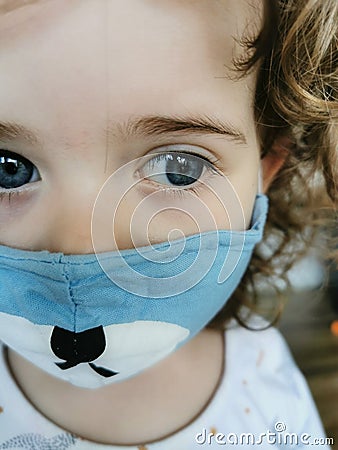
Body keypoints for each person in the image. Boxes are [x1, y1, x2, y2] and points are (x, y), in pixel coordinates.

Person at [0, 0, 336, 448]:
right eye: (9, 169)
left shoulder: (269, 391)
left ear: (265, 171)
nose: (81, 244)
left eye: (177, 168)